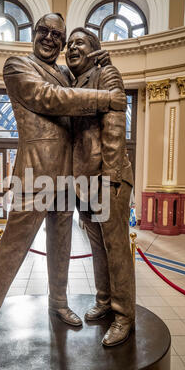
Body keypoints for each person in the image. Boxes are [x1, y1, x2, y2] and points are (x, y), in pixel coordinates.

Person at [0, 14, 127, 350]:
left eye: (58, 34)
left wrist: (104, 64)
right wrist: (106, 98)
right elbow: (49, 98)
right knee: (12, 250)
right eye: (44, 31)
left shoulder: (63, 72)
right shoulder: (18, 65)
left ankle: (58, 303)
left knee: (61, 247)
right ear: (33, 33)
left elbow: (87, 80)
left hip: (68, 178)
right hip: (35, 176)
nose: (51, 38)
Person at [66, 27, 135, 347]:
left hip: (109, 179)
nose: (71, 48)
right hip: (85, 182)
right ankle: (105, 300)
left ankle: (123, 316)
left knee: (117, 250)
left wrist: (110, 178)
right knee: (98, 248)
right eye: (69, 44)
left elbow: (115, 129)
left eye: (78, 42)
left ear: (94, 49)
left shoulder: (107, 75)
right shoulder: (73, 81)